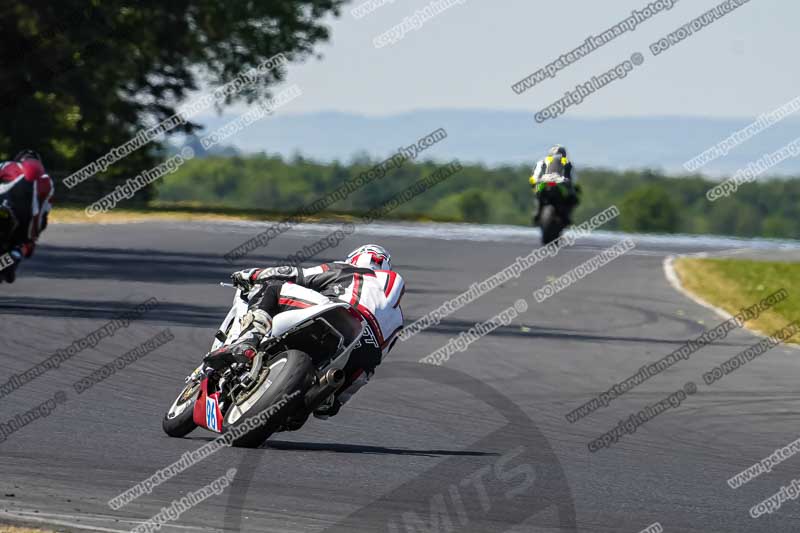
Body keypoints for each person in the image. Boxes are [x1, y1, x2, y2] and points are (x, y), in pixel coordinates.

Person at [205, 244, 404, 421]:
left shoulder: (348, 268)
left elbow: (294, 273)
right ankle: (328, 398)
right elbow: (375, 361)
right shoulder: (398, 317)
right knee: (359, 375)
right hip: (364, 352)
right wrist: (342, 395)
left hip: (338, 312)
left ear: (354, 258)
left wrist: (253, 274)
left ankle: (250, 338)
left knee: (273, 287)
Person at [0, 150, 54, 283]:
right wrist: (33, 236)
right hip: (26, 220)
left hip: (5, 206)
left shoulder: (9, 165)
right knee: (25, 244)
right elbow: (45, 213)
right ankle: (14, 256)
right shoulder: (48, 181)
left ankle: (11, 258)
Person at [529, 145, 580, 226]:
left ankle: (537, 212)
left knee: (537, 193)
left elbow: (535, 175)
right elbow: (574, 179)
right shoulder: (567, 162)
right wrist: (574, 187)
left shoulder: (542, 161)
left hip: (544, 183)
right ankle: (567, 216)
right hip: (560, 184)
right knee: (573, 198)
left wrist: (534, 183)